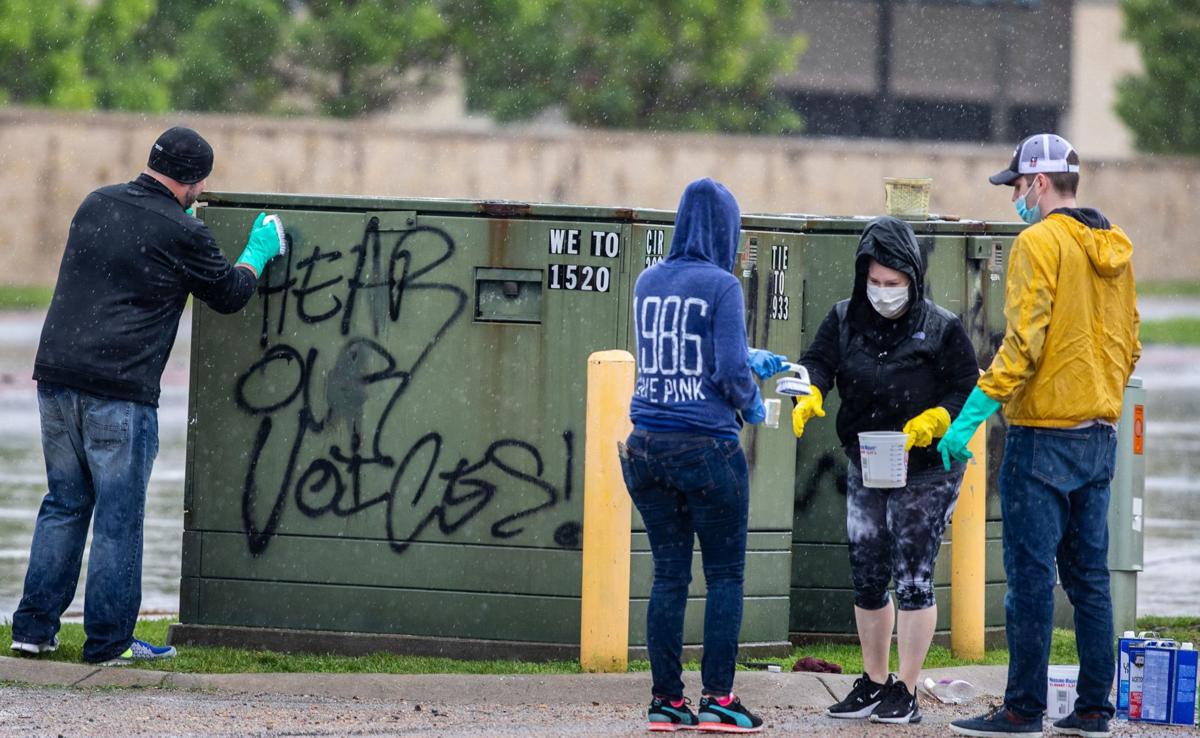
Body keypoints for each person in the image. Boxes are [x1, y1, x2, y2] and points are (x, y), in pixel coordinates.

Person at [9, 126, 285, 666]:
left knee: (64, 505)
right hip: (120, 391)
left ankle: (33, 630)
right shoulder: (184, 231)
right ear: (196, 182)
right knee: (118, 517)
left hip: (57, 378)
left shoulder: (96, 203)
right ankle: (109, 643)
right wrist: (258, 253)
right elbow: (229, 294)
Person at [945, 134, 1139, 738]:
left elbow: (1023, 342)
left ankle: (1023, 710)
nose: (1015, 199)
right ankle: (1093, 711)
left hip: (1041, 439)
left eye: (1017, 187)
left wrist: (971, 414)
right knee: (1089, 581)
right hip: (1100, 437)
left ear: (1040, 183)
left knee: (1029, 581)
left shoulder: (1038, 242)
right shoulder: (1113, 247)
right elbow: (1129, 345)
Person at [791, 216, 979, 725]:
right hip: (868, 459)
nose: (883, 292)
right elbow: (818, 361)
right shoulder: (844, 318)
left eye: (893, 284)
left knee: (913, 572)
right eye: (874, 282)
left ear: (913, 280)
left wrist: (939, 417)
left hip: (927, 464)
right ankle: (874, 681)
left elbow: (968, 385)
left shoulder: (941, 328)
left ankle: (908, 686)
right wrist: (809, 389)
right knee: (867, 569)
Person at [619, 178, 786, 733]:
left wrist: (741, 356)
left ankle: (665, 702)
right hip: (706, 448)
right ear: (727, 232)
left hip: (646, 447)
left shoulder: (647, 281)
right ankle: (720, 699)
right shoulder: (722, 286)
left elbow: (678, 353)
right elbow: (730, 372)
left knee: (668, 575)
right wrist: (754, 407)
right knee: (725, 577)